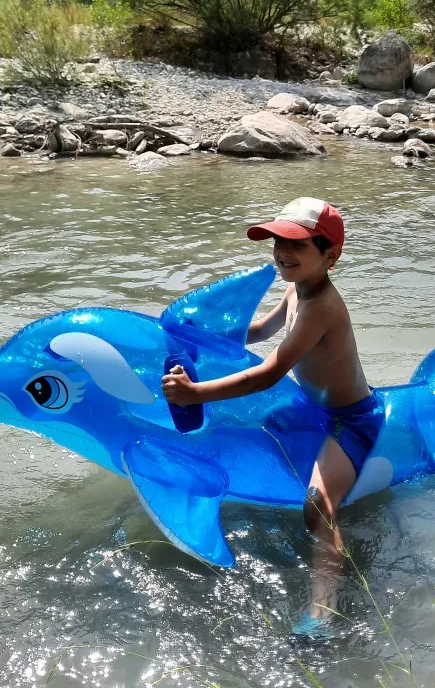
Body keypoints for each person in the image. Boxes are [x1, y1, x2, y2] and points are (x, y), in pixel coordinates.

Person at [161, 197, 382, 623]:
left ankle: (325, 610)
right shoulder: (296, 288)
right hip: (314, 409)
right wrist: (209, 338)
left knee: (317, 506)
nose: (282, 252)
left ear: (329, 255)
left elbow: (270, 371)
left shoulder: (322, 307)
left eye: (297, 245)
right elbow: (262, 330)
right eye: (277, 241)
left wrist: (196, 393)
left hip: (352, 421)